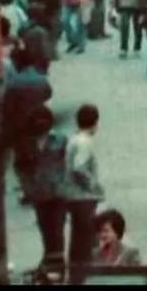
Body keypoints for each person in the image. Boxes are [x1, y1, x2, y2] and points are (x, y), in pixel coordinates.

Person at [14, 106, 68, 276]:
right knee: (45, 229)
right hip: (38, 193)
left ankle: (57, 264)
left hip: (58, 192)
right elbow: (20, 168)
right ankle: (49, 261)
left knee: (57, 229)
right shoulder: (25, 144)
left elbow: (68, 163)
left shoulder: (60, 140)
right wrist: (27, 188)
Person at [61, 104, 104, 267]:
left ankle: (75, 270)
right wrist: (92, 184)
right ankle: (85, 269)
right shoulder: (85, 142)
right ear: (95, 122)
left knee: (78, 237)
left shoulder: (74, 139)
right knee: (86, 238)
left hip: (72, 195)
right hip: (83, 197)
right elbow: (79, 167)